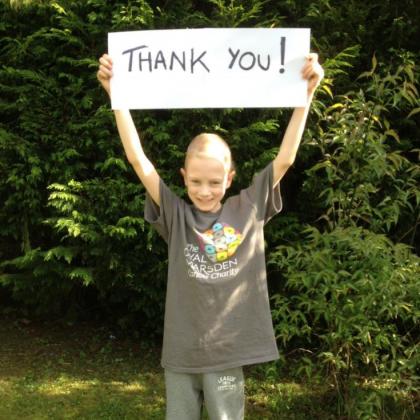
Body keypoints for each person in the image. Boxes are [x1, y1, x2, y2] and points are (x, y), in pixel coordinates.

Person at [97, 52, 323, 420]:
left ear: (230, 179)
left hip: (226, 355)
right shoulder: (176, 215)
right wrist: (116, 95)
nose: (205, 190)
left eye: (215, 182)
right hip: (181, 356)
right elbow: (139, 160)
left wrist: (307, 95)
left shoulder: (247, 208)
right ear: (183, 176)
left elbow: (285, 159)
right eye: (196, 181)